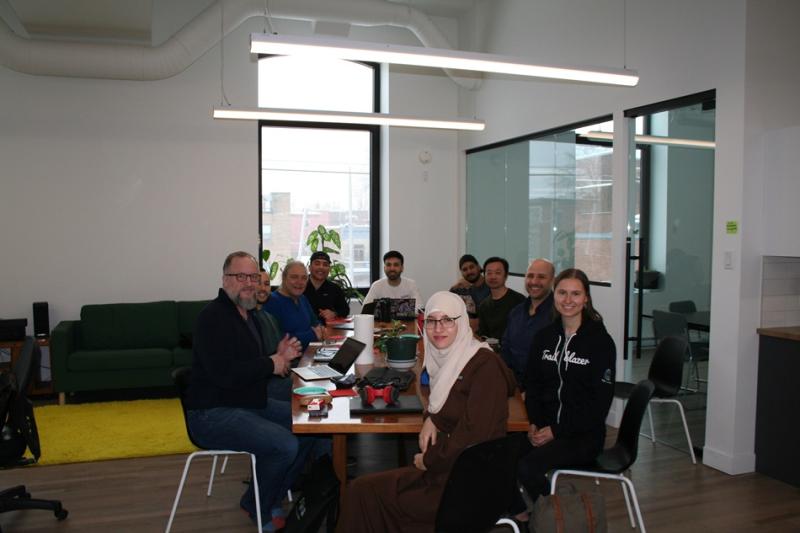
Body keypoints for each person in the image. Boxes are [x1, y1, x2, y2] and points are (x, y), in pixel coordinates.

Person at [340, 291, 516, 532]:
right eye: (432, 321)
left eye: (447, 320)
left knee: (365, 493)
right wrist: (432, 418)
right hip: (447, 471)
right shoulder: (446, 361)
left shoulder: (485, 367)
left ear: (462, 322)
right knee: (362, 490)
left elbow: (474, 437)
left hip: (467, 486)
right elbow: (447, 403)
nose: (438, 328)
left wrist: (428, 460)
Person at [185, 251, 322, 532]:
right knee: (285, 445)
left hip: (245, 400)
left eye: (253, 277)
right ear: (225, 279)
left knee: (312, 426)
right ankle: (258, 504)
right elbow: (225, 374)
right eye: (241, 276)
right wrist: (271, 362)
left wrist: (278, 355)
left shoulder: (247, 316)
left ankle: (269, 496)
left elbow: (252, 364)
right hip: (212, 412)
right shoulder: (213, 318)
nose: (249, 283)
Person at [513, 268, 616, 522]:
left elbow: (599, 406)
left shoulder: (600, 342)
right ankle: (525, 514)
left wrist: (556, 431)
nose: (568, 300)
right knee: (496, 455)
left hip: (583, 435)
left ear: (586, 298)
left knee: (527, 467)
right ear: (554, 295)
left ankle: (560, 518)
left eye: (575, 294)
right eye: (562, 293)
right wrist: (535, 423)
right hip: (544, 428)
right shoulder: (544, 337)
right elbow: (533, 385)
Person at [500, 259, 555, 391]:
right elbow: (506, 351)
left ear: (553, 280)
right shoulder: (516, 312)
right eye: (530, 276)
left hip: (544, 392)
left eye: (541, 277)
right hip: (514, 388)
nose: (534, 281)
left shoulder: (559, 315)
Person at [255, 269, 298, 400]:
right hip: (265, 383)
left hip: (278, 374)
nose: (263, 288)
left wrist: (287, 359)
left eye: (267, 284)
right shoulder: (247, 319)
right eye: (258, 283)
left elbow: (280, 352)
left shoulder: (270, 317)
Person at [263, 260, 325, 350]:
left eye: (304, 278)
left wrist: (321, 329)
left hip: (311, 353)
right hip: (291, 358)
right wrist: (312, 335)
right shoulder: (271, 301)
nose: (299, 282)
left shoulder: (302, 299)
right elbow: (277, 339)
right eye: (294, 277)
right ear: (284, 278)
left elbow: (315, 322)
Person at [476, 256, 525, 340]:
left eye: (498, 273)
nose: (493, 277)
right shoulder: (483, 306)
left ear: (506, 276)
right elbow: (484, 335)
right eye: (489, 273)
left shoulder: (519, 300)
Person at [304, 251, 350, 323]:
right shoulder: (300, 287)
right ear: (309, 268)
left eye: (325, 265)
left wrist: (334, 313)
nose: (321, 267)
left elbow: (345, 310)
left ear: (329, 269)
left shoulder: (335, 289)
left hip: (328, 328)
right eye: (317, 264)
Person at [449, 254, 490, 330]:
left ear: (478, 267)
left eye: (471, 267)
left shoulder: (490, 287)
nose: (469, 271)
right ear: (461, 272)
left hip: (482, 332)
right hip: (460, 330)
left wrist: (472, 288)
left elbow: (484, 313)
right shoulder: (458, 289)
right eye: (465, 270)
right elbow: (449, 310)